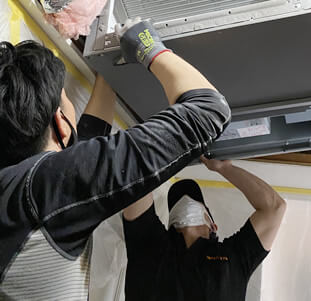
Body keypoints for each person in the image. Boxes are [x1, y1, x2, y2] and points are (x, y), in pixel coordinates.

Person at [0, 18, 231, 300]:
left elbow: (86, 143)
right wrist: (146, 46)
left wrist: (117, 61)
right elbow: (207, 111)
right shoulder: (40, 192)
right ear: (61, 123)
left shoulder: (25, 190)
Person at [123, 155, 286, 301]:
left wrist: (162, 156)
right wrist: (224, 168)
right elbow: (274, 209)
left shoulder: (151, 248)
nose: (186, 201)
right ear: (213, 226)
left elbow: (136, 178)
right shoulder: (233, 258)